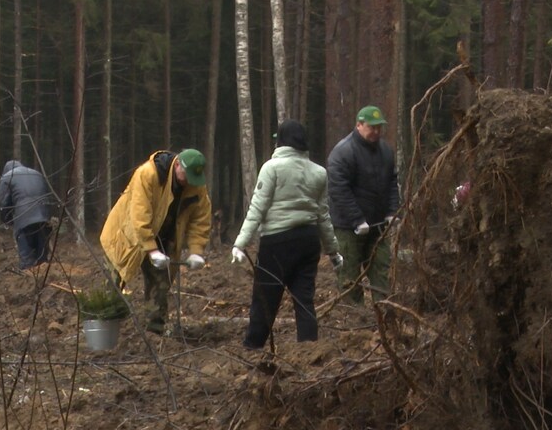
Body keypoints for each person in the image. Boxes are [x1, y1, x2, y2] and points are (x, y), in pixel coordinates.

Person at [231, 120, 343, 349]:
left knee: (265, 297)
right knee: (304, 299)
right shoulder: (319, 172)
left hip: (277, 243)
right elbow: (323, 215)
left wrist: (240, 244)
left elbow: (257, 208)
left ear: (281, 140)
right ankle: (309, 349)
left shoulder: (271, 168)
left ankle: (253, 346)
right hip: (309, 241)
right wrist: (333, 251)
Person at [100, 148, 212, 334]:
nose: (188, 182)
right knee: (114, 283)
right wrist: (151, 250)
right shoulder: (148, 174)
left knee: (160, 285)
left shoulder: (196, 186)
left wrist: (196, 250)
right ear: (177, 164)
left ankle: (155, 332)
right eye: (186, 175)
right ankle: (105, 331)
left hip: (165, 238)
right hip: (127, 236)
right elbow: (139, 215)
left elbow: (201, 220)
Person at [327, 105, 400, 305]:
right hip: (348, 228)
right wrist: (357, 219)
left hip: (377, 226)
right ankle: (353, 320)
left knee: (382, 268)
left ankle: (384, 311)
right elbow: (338, 190)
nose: (376, 132)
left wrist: (392, 211)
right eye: (372, 127)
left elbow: (392, 182)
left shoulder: (385, 150)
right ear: (359, 125)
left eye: (379, 128)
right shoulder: (343, 152)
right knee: (349, 273)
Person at [0, 160, 53, 269]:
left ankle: (28, 279)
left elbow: (3, 203)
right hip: (44, 217)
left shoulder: (7, 177)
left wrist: (7, 220)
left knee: (26, 257)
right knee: (42, 258)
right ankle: (46, 279)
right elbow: (48, 194)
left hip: (24, 219)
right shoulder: (37, 174)